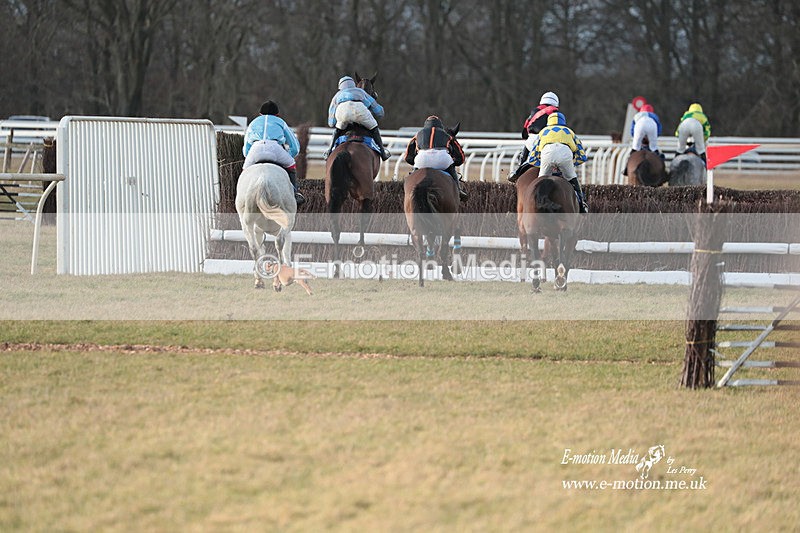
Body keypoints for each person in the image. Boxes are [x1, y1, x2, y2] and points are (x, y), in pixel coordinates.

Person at [243, 100, 305, 205]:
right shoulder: (280, 122)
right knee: (291, 163)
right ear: (277, 115)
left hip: (255, 149)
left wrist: (249, 158)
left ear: (260, 114)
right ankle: (294, 193)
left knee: (245, 173)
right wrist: (287, 156)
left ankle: (242, 196)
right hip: (274, 148)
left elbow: (246, 150)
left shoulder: (253, 123)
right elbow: (295, 147)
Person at [529, 112, 589, 213]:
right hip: (565, 155)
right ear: (563, 122)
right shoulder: (569, 132)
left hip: (547, 154)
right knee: (572, 178)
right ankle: (582, 204)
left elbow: (532, 158)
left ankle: (533, 203)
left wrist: (543, 164)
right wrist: (570, 164)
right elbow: (582, 157)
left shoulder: (543, 132)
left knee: (541, 181)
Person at [324, 75, 390, 161]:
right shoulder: (360, 92)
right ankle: (383, 152)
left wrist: (337, 124)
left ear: (340, 86)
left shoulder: (336, 96)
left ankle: (329, 151)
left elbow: (331, 122)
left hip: (342, 112)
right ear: (354, 84)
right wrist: (379, 112)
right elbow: (378, 111)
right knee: (374, 127)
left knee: (337, 130)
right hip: (359, 110)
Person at [403, 115, 469, 202]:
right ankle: (458, 190)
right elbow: (460, 156)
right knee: (451, 167)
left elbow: (407, 157)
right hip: (442, 159)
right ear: (440, 126)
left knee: (414, 175)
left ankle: (408, 191)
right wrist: (455, 162)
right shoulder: (447, 135)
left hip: (422, 160)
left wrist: (415, 164)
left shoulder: (418, 134)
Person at [509, 91, 559, 183]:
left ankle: (518, 169)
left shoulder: (535, 111)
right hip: (548, 142)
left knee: (527, 143)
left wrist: (525, 135)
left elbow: (525, 127)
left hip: (533, 141)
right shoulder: (555, 112)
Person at [623, 103, 664, 176]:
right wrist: (650, 139)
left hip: (640, 125)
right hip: (652, 125)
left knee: (635, 148)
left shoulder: (637, 115)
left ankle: (626, 169)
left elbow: (632, 132)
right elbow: (659, 131)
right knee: (654, 148)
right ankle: (662, 169)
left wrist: (640, 139)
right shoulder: (654, 116)